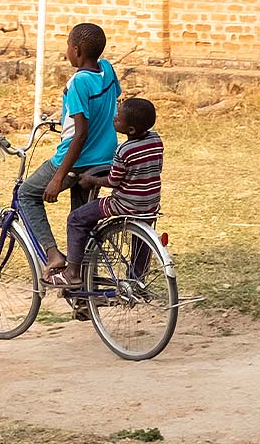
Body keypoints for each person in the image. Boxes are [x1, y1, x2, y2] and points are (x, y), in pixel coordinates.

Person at [19, 23, 121, 277]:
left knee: (27, 194)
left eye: (67, 45)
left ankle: (53, 255)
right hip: (105, 157)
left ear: (76, 50)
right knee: (82, 225)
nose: (66, 50)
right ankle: (83, 297)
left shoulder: (78, 83)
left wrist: (57, 178)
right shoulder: (107, 69)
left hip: (75, 160)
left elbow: (81, 133)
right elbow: (107, 103)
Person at [45, 97, 163, 288]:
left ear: (131, 130)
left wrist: (91, 180)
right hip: (149, 203)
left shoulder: (124, 150)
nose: (114, 118)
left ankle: (72, 272)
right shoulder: (155, 140)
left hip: (125, 203)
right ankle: (138, 281)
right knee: (140, 243)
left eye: (118, 118)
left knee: (76, 219)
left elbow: (113, 181)